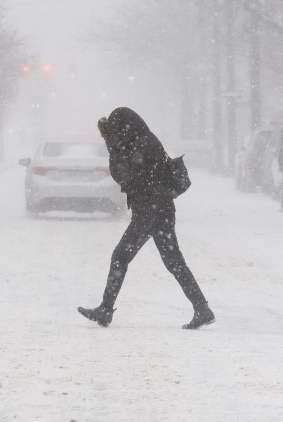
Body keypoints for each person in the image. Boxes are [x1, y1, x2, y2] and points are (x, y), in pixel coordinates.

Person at [77, 107, 215, 330]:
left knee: (121, 256)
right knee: (174, 262)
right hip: (162, 209)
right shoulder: (147, 139)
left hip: (148, 211)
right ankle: (202, 308)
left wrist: (112, 143)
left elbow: (122, 174)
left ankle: (105, 310)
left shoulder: (132, 145)